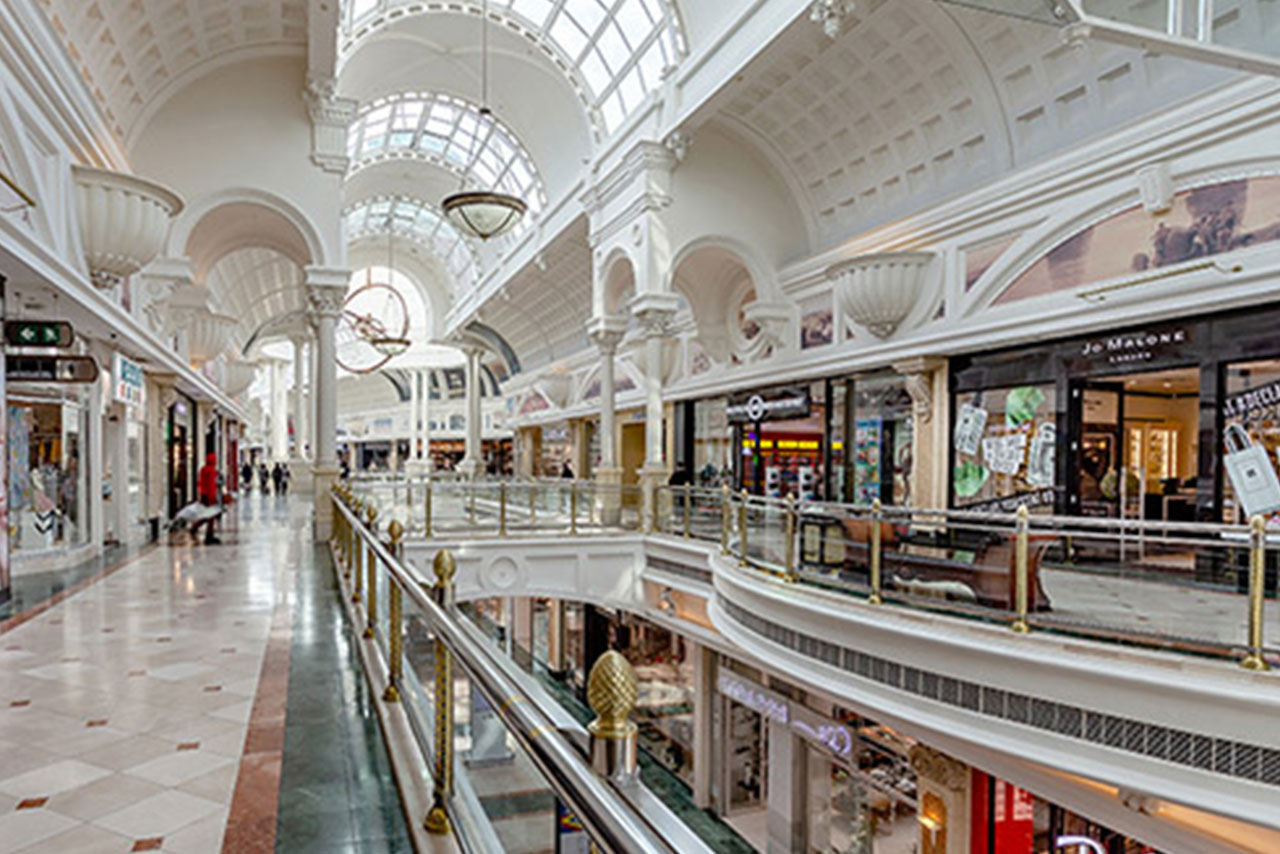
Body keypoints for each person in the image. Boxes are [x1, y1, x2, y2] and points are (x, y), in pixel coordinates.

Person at [190, 453, 222, 544]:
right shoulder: (211, 471)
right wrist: (213, 498)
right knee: (210, 516)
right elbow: (211, 486)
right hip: (209, 496)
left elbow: (201, 483)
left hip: (203, 494)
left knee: (205, 514)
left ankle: (195, 526)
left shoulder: (203, 469)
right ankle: (209, 535)